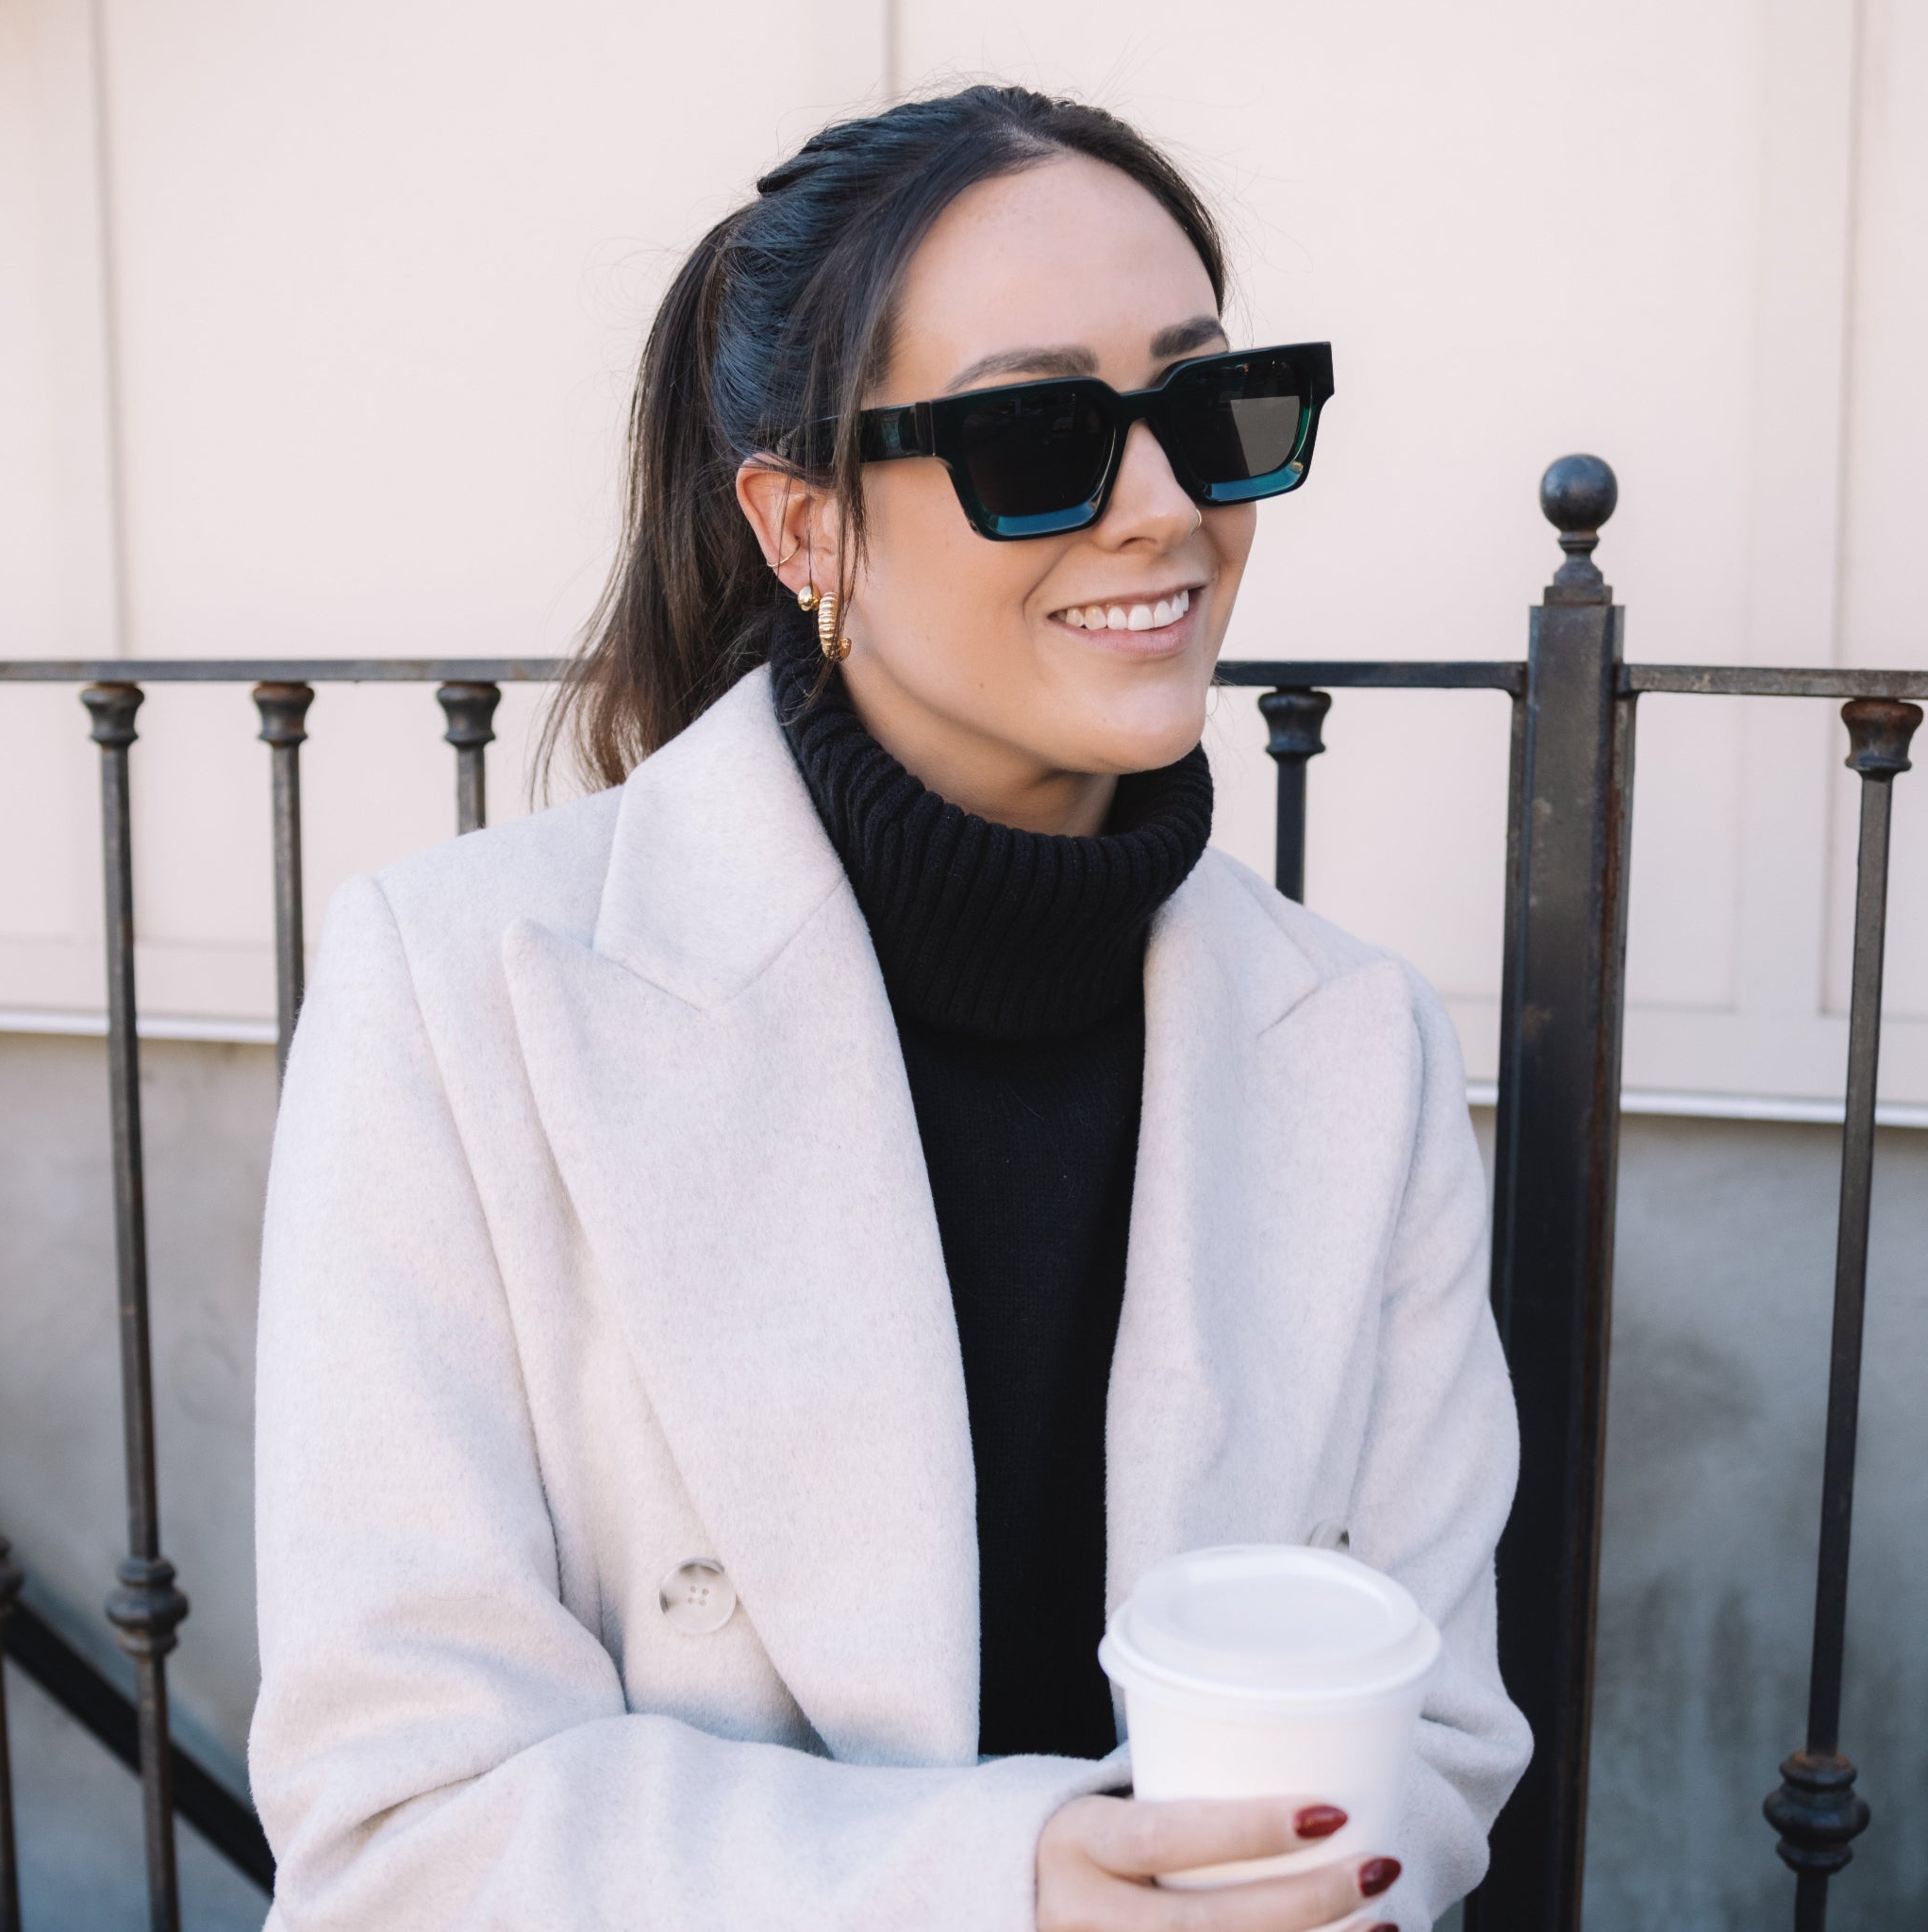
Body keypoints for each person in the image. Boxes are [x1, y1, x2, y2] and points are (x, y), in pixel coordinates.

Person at [250, 84, 1529, 1932]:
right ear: (804, 528)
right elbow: (400, 1825)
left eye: (1212, 410)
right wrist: (1006, 1885)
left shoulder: (1359, 1045)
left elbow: (1441, 1731)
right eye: (1036, 436)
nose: (1167, 509)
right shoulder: (462, 1001)